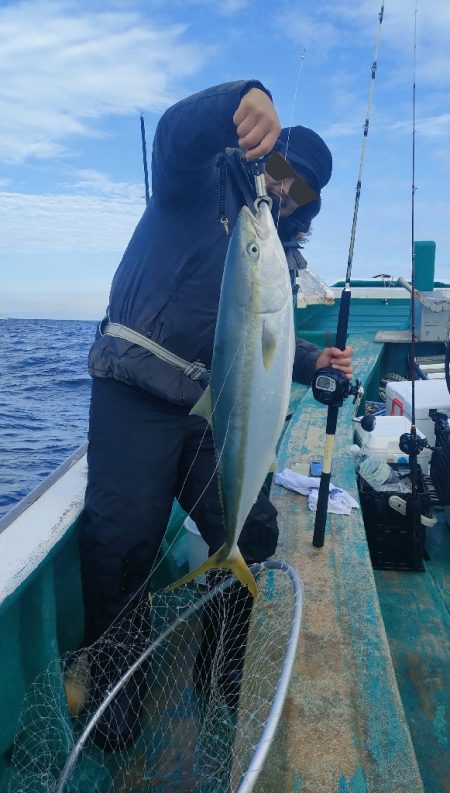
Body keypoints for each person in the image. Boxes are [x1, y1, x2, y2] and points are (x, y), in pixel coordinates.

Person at [79, 80, 353, 747]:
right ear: (263, 155)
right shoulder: (195, 183)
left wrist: (316, 359)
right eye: (285, 171)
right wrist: (240, 99)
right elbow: (176, 136)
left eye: (306, 189)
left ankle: (219, 675)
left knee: (252, 532)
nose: (290, 191)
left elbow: (261, 342)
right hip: (136, 391)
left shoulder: (280, 252)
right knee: (120, 549)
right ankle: (115, 720)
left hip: (209, 405)